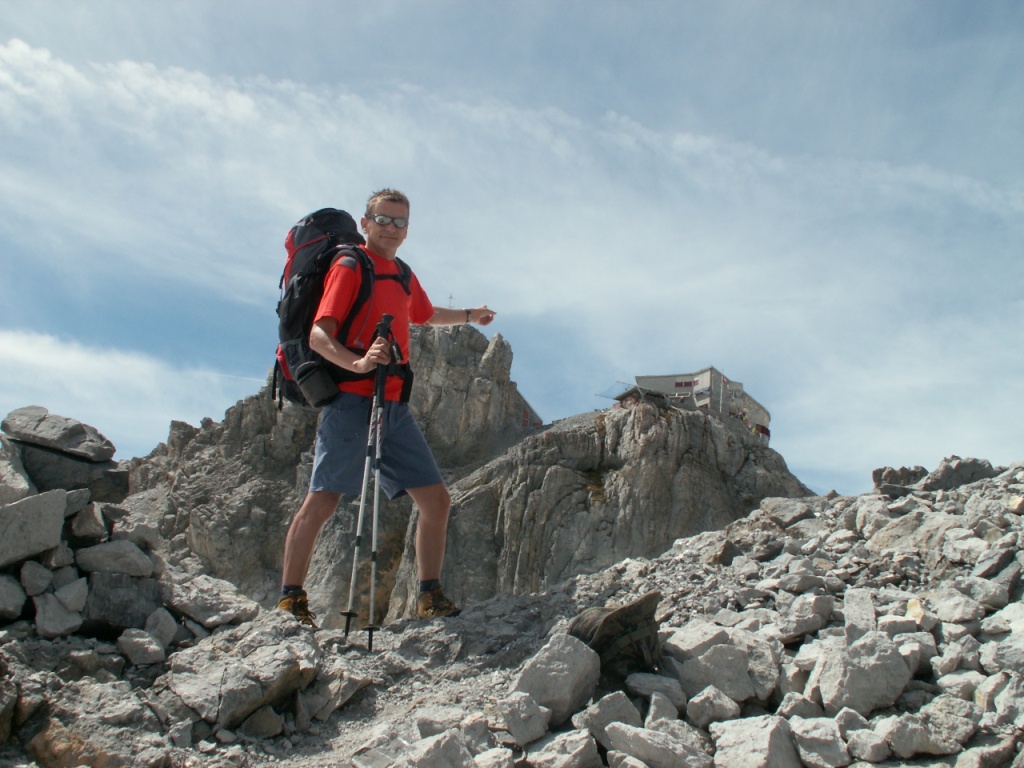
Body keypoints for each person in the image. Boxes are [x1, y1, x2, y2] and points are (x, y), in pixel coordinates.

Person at [278, 189, 495, 628]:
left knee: (436, 500)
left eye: (400, 222)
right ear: (366, 222)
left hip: (393, 403)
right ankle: (291, 599)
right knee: (322, 500)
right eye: (384, 220)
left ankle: (429, 596)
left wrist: (471, 314)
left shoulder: (401, 273)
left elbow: (424, 314)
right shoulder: (349, 266)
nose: (392, 229)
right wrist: (357, 363)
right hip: (352, 401)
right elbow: (321, 335)